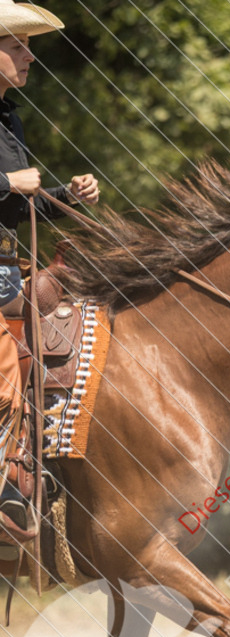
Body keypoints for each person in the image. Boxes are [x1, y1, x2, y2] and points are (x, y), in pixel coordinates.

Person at [0, 1, 99, 532]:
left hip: (3, 267)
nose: (28, 56)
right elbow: (9, 192)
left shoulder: (8, 119)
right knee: (2, 362)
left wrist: (66, 196)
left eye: (27, 45)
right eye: (16, 45)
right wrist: (7, 183)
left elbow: (18, 208)